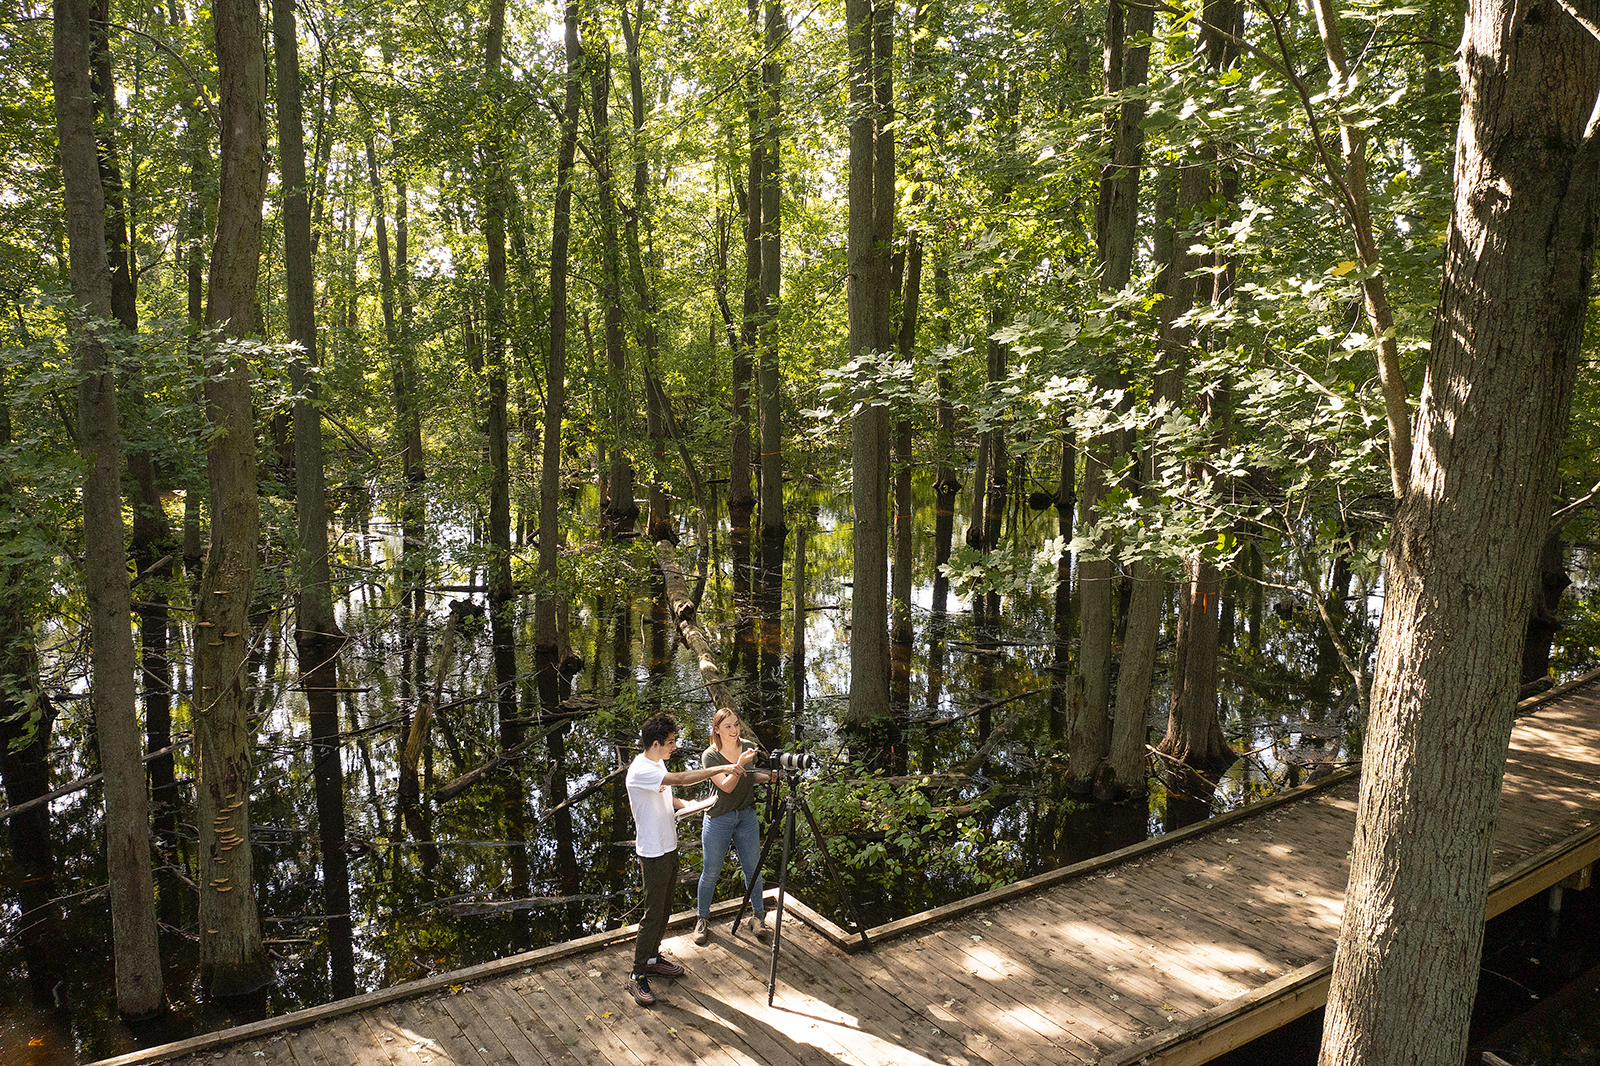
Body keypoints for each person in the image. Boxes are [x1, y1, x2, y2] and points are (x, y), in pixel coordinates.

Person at [624, 712, 751, 1008]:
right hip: (653, 852)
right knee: (652, 914)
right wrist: (720, 768)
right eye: (670, 742)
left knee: (665, 908)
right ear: (656, 744)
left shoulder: (657, 762)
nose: (674, 746)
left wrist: (688, 804)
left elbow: (665, 795)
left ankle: (653, 959)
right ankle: (637, 974)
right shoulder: (641, 769)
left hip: (668, 846)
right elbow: (680, 780)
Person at [693, 707, 777, 946]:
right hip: (718, 817)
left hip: (746, 815)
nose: (734, 730)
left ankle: (758, 916)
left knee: (753, 869)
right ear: (717, 729)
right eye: (727, 726)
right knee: (711, 872)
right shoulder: (710, 756)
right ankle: (702, 918)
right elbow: (727, 786)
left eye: (736, 724)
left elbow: (750, 776)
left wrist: (770, 776)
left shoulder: (747, 745)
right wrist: (740, 762)